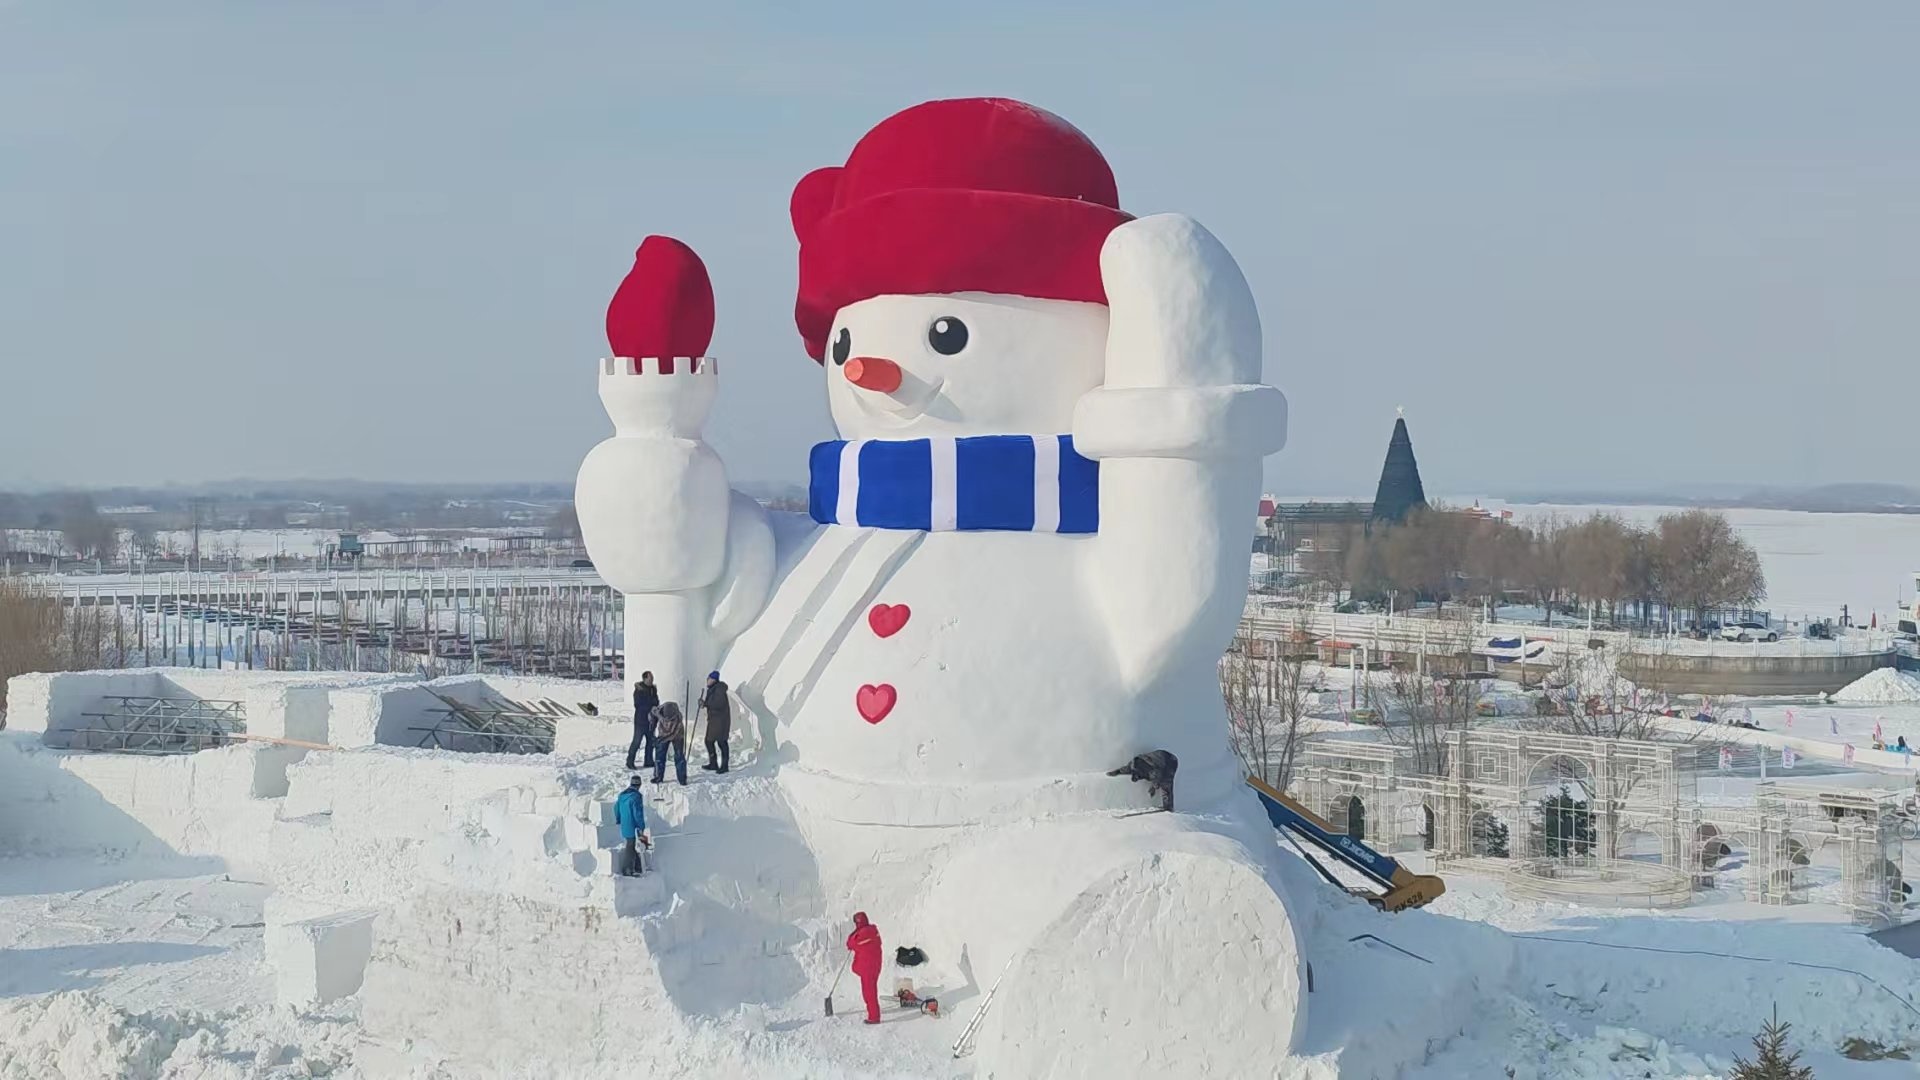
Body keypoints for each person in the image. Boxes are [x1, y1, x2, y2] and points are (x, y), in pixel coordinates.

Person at [1106, 749, 1178, 811]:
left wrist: (1153, 787)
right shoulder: (1133, 766)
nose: (1138, 779)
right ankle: (1167, 805)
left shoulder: (1149, 770)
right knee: (1160, 779)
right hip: (1158, 759)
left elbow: (1159, 775)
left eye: (1137, 778)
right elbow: (1126, 769)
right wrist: (1117, 772)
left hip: (1171, 761)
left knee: (1166, 782)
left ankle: (1168, 807)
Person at [845, 911, 884, 1024]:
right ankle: (874, 1010)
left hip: (867, 968)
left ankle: (874, 1017)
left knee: (869, 993)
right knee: (872, 989)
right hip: (876, 965)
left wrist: (856, 931)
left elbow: (850, 943)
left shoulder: (860, 935)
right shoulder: (873, 930)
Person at [613, 774, 650, 876]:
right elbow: (637, 813)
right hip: (633, 825)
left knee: (632, 846)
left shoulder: (622, 795)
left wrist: (618, 818)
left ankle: (638, 866)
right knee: (630, 847)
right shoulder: (636, 797)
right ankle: (627, 870)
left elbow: (616, 808)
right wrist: (641, 826)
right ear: (639, 785)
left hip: (624, 824)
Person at [700, 670, 732, 774]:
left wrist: (705, 703)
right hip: (716, 720)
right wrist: (704, 704)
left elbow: (717, 703)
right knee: (713, 741)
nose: (707, 681)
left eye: (709, 679)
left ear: (713, 679)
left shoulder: (719, 689)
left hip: (720, 721)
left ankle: (723, 765)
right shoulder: (714, 689)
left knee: (720, 742)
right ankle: (716, 764)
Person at [650, 701, 688, 785]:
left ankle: (682, 778)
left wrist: (659, 740)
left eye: (670, 719)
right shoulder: (658, 711)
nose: (667, 720)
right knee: (659, 755)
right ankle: (658, 776)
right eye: (665, 718)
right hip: (663, 733)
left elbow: (672, 733)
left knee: (679, 756)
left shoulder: (678, 719)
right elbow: (652, 712)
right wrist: (652, 726)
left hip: (677, 735)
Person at [628, 672, 660, 771]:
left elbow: (656, 701)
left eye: (652, 678)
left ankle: (648, 761)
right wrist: (650, 707)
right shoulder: (639, 690)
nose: (652, 680)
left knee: (650, 742)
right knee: (637, 741)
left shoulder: (653, 689)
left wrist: (655, 708)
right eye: (650, 678)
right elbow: (638, 704)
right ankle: (630, 761)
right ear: (645, 679)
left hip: (651, 721)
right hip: (641, 720)